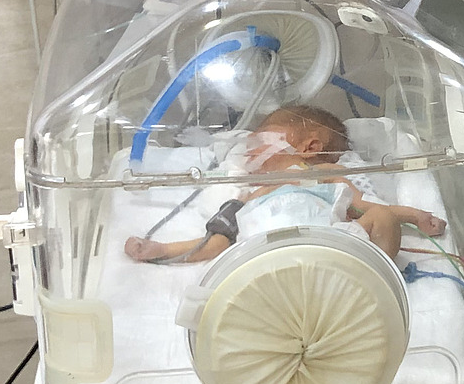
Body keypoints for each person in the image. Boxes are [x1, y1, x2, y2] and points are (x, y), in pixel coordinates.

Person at [122, 105, 445, 265]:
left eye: (261, 138)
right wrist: (161, 250)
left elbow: (368, 208)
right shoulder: (247, 197)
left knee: (384, 221)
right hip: (265, 256)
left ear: (309, 148)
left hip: (333, 248)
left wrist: (413, 215)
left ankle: (379, 278)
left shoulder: (325, 173)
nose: (248, 147)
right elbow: (216, 244)